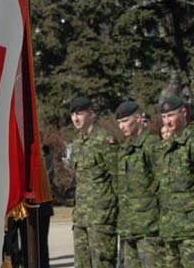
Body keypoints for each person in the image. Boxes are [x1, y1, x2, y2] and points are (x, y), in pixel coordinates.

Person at [157, 95, 194, 267]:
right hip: (169, 227)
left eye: (171, 116)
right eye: (164, 117)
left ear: (184, 113)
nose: (167, 122)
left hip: (192, 230)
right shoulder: (167, 146)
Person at [69, 97, 118, 268]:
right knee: (81, 263)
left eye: (80, 114)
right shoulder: (77, 143)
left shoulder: (104, 140)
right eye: (73, 114)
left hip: (101, 217)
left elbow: (117, 177)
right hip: (81, 216)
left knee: (102, 263)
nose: (76, 118)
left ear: (91, 114)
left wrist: (113, 211)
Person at [114, 101, 163, 268]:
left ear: (137, 118)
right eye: (119, 122)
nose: (122, 126)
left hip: (148, 226)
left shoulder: (152, 145)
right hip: (128, 225)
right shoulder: (124, 148)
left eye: (125, 121)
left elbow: (162, 182)